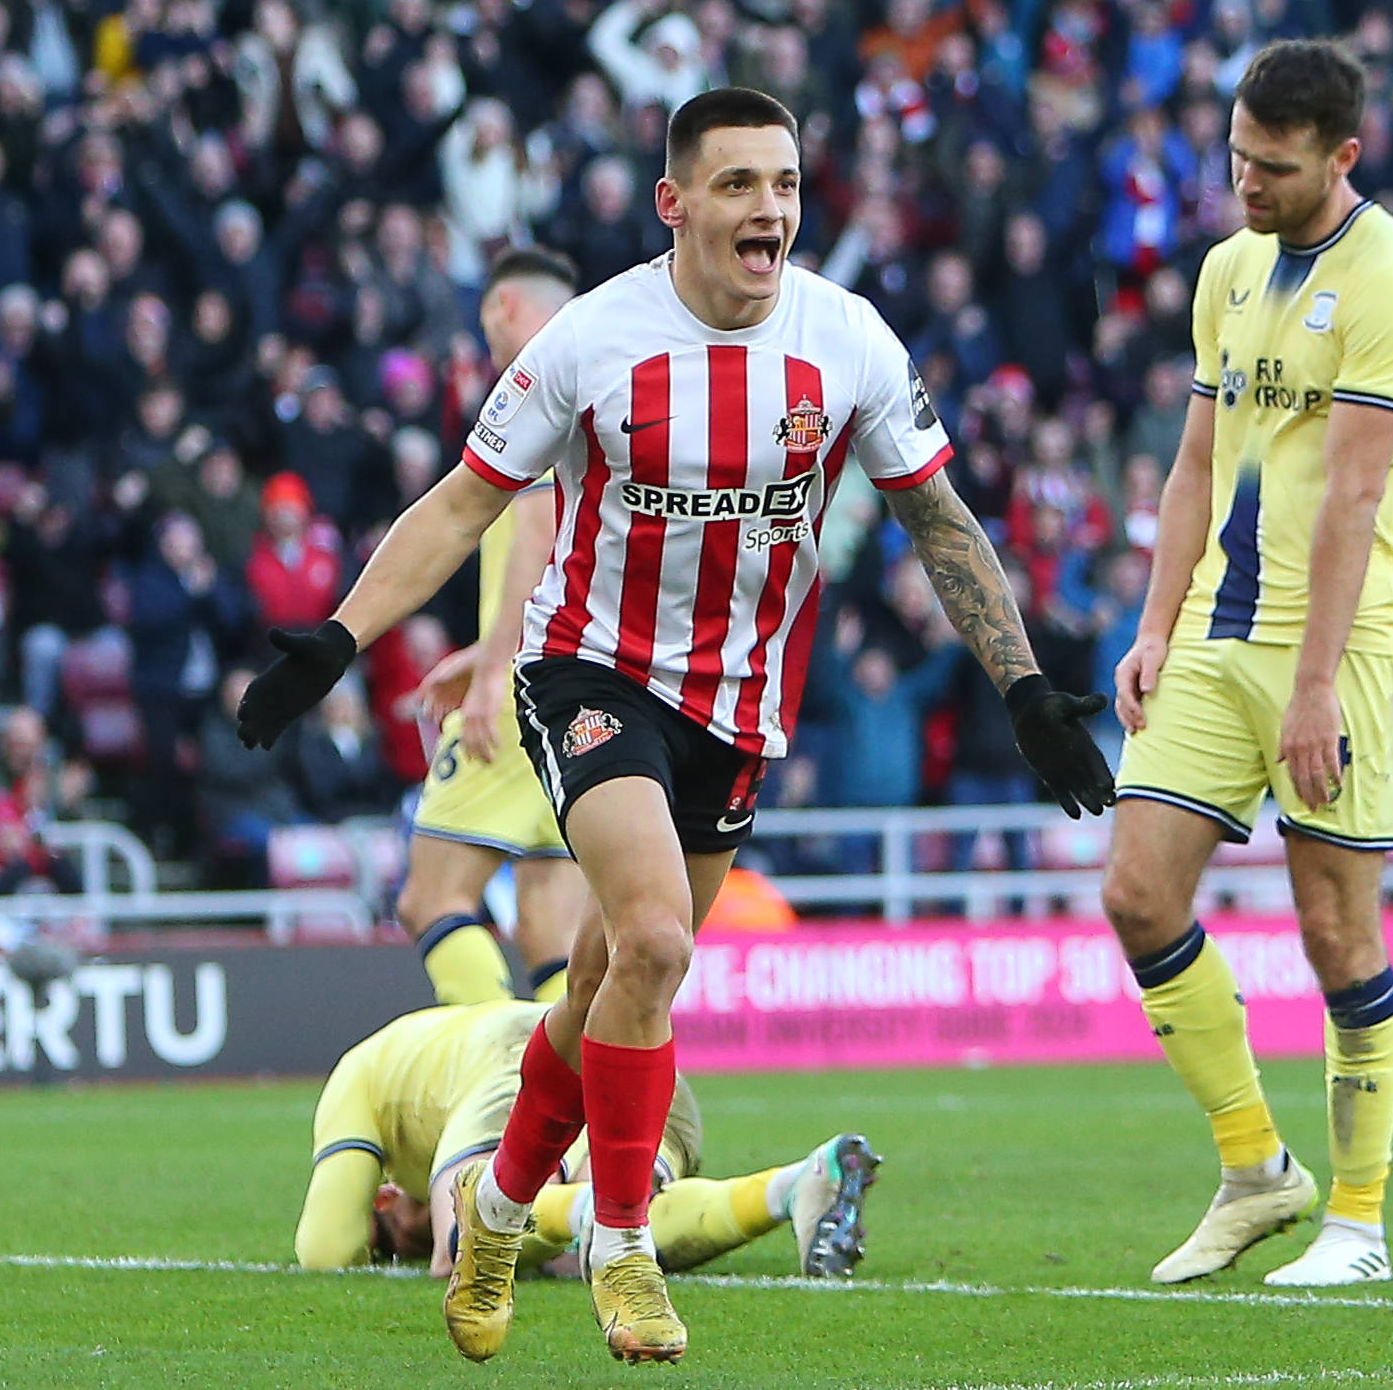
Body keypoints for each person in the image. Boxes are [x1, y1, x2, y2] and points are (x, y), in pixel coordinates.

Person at [236, 88, 1113, 1366]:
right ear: (676, 203)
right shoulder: (593, 341)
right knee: (653, 937)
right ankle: (623, 1243)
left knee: (601, 979)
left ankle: (493, 1205)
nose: (770, 209)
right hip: (588, 669)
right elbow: (460, 503)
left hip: (739, 705)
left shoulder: (848, 340)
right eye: (740, 184)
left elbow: (942, 522)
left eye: (786, 184)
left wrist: (1026, 686)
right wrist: (334, 639)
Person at [1102, 41, 1393, 1289]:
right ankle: (1257, 1170)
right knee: (1137, 892)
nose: (1244, 180)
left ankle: (1357, 1223)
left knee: (1332, 927)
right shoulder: (1228, 269)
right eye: (1237, 154)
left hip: (1342, 646)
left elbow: (1357, 496)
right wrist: (1151, 627)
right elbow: (1195, 463)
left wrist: (1313, 687)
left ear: (1342, 156)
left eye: (1273, 164)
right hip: (1213, 628)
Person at [294, 1000, 878, 1283]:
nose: (405, 1248)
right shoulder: (415, 1055)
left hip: (516, 1056)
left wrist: (429, 1240)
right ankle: (795, 1185)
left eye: (394, 1242)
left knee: (470, 1246)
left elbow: (325, 1251)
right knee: (608, 1239)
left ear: (386, 1198)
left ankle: (587, 1213)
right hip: (636, 1062)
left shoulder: (360, 1076)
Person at [401, 248, 589, 1009]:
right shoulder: (597, 386)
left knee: (429, 897)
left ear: (506, 305)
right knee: (550, 923)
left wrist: (492, 672)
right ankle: (568, 1113)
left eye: (486, 317)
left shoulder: (534, 384)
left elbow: (539, 527)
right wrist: (485, 648)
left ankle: (500, 1080)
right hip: (583, 687)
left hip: (523, 689)